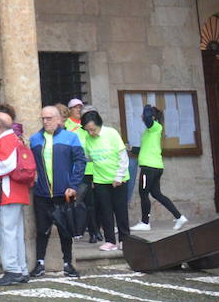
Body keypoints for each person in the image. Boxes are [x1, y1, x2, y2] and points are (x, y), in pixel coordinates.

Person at [29, 106, 86, 278]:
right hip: (42, 194)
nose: (46, 121)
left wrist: (73, 185)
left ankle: (68, 263)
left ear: (59, 119)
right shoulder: (34, 139)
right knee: (41, 230)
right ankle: (39, 263)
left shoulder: (71, 137)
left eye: (49, 118)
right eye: (43, 119)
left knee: (65, 230)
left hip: (64, 193)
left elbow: (80, 161)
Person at [0, 108, 35, 286]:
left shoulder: (7, 141)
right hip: (14, 191)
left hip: (7, 191)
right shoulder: (12, 139)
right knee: (15, 232)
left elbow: (6, 165)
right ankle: (20, 269)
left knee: (7, 232)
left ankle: (13, 270)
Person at [131, 104, 188, 232]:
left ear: (152, 117)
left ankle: (145, 223)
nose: (142, 117)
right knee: (156, 194)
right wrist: (130, 148)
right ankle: (179, 217)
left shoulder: (156, 127)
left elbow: (146, 117)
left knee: (143, 193)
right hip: (154, 166)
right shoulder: (149, 131)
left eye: (144, 115)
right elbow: (145, 148)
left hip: (149, 167)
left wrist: (147, 107)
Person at [79, 111, 130, 250]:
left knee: (120, 210)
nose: (91, 133)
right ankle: (110, 240)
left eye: (93, 129)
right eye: (87, 130)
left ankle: (125, 239)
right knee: (105, 211)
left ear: (99, 124)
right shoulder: (88, 139)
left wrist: (118, 176)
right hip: (101, 180)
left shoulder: (111, 133)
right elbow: (88, 157)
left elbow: (123, 156)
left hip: (118, 179)